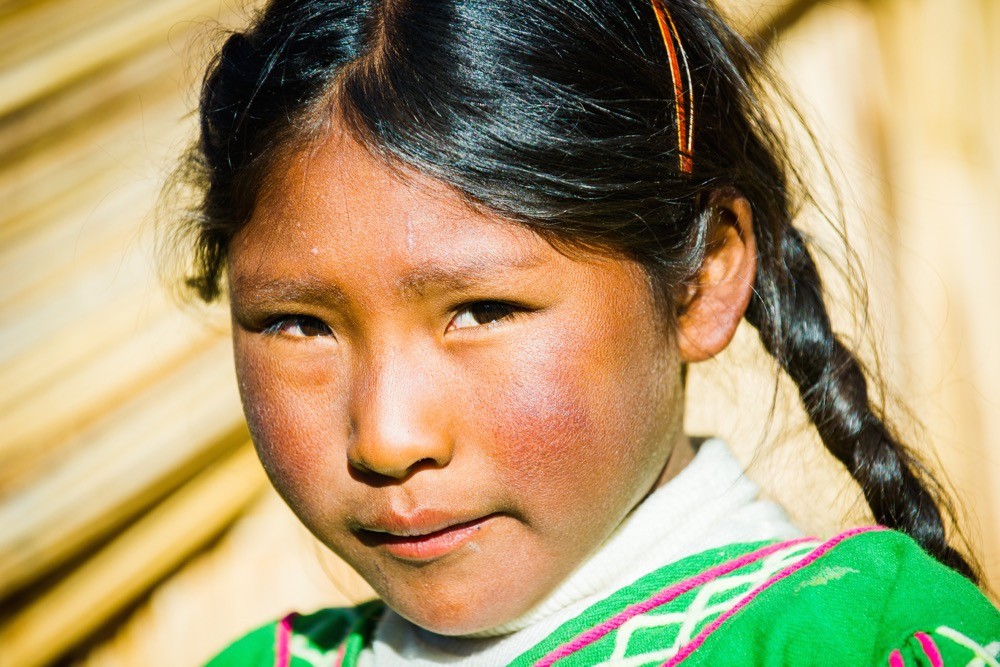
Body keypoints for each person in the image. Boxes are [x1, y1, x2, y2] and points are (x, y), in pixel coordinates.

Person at [173, 0, 1000, 664]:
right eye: (298, 323)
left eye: (484, 310)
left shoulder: (860, 640)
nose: (388, 438)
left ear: (703, 278)